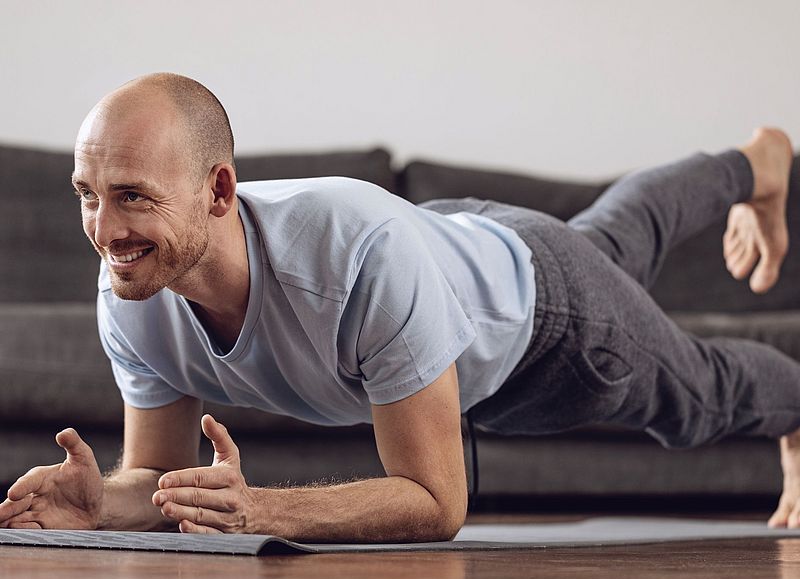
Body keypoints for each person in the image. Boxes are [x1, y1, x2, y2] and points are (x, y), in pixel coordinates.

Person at [0, 73, 798, 542]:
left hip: (553, 330)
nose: (103, 232)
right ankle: (756, 162)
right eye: (88, 196)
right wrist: (104, 500)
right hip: (467, 239)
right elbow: (160, 475)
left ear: (218, 191)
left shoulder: (355, 259)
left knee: (701, 399)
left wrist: (262, 510)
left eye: (132, 197)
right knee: (614, 240)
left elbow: (437, 500)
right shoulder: (131, 286)